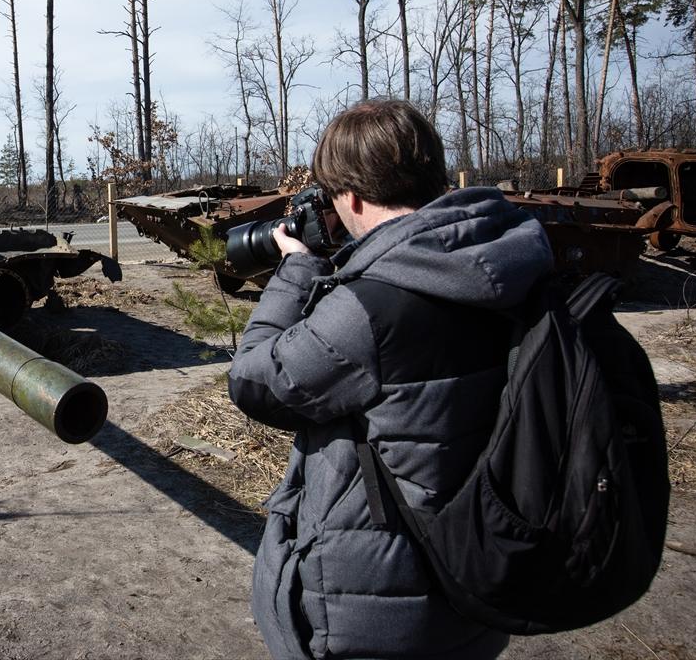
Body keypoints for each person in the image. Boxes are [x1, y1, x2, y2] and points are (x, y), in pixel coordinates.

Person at [228, 100, 554, 660]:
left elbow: (254, 380)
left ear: (351, 196)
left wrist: (297, 268)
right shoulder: (509, 263)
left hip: (377, 608)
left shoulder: (369, 310)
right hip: (478, 571)